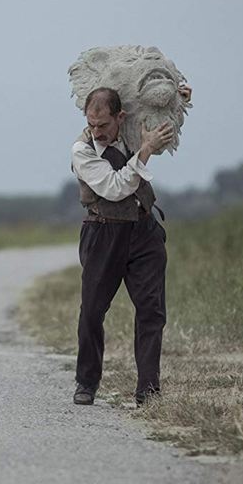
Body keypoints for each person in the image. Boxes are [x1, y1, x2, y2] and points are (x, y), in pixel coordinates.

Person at [70, 84, 191, 406]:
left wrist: (177, 100)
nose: (97, 132)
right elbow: (114, 187)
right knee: (92, 312)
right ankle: (86, 383)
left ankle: (148, 391)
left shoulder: (133, 132)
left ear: (120, 117)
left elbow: (162, 124)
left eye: (104, 125)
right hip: (102, 234)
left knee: (152, 312)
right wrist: (146, 151)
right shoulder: (82, 150)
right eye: (91, 124)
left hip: (144, 232)